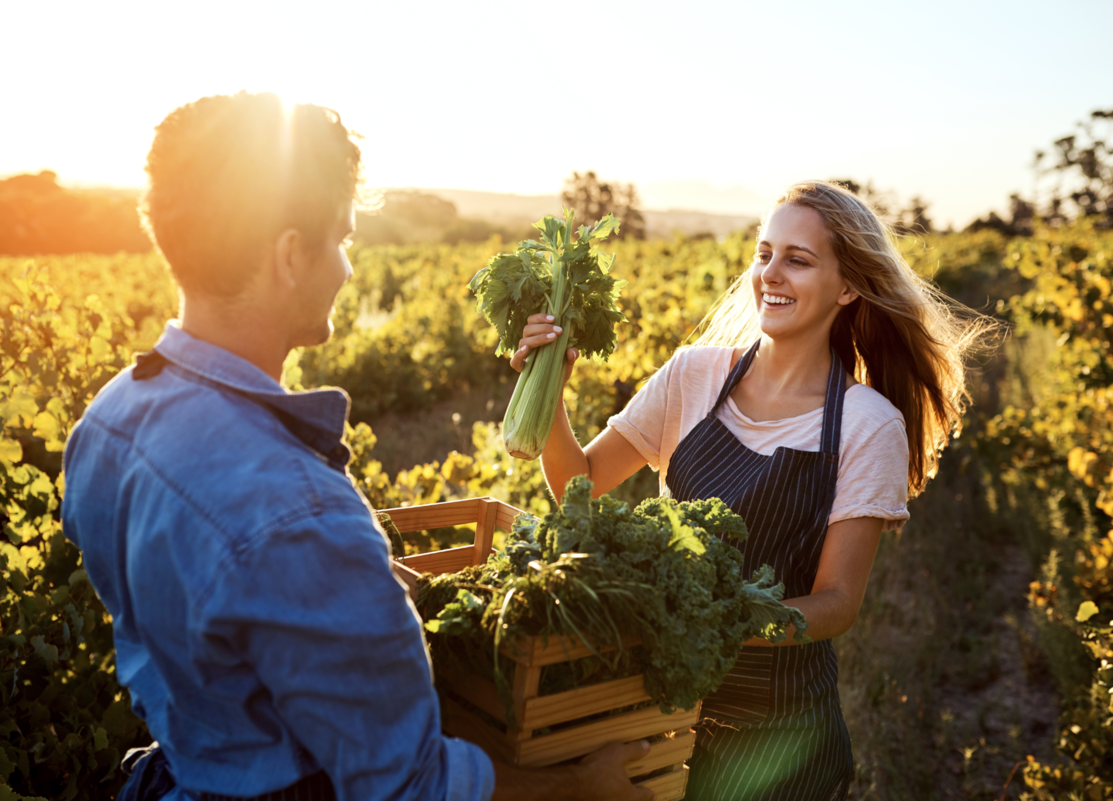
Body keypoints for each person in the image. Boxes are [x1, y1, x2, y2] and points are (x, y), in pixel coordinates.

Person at [61, 91, 654, 801]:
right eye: (342, 238)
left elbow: (214, 614)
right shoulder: (304, 514)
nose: (346, 266)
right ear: (289, 255)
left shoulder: (108, 421)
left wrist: (367, 591)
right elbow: (411, 786)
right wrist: (584, 789)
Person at [510, 180, 991, 800]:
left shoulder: (868, 424)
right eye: (765, 254)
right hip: (663, 710)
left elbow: (838, 602)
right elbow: (578, 484)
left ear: (847, 287)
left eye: (798, 259)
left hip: (779, 734)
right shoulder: (695, 375)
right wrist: (548, 385)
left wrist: (716, 621)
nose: (771, 273)